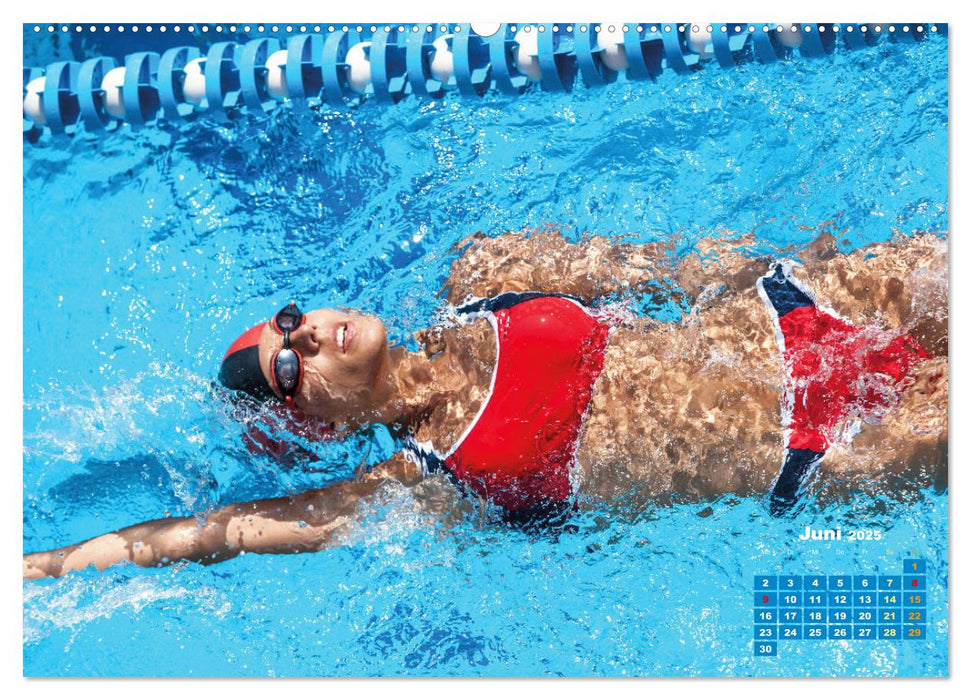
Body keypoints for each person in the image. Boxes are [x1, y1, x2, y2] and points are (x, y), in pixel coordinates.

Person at [22, 228, 948, 580]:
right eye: (290, 369)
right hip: (830, 444)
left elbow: (678, 267)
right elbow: (217, 532)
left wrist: (794, 267)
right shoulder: (420, 484)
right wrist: (37, 569)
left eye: (291, 322)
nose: (306, 337)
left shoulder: (487, 275)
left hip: (813, 304)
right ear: (323, 423)